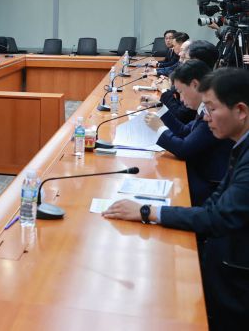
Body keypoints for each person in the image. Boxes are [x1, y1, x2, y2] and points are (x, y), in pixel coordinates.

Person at [103, 67, 249, 329]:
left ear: (240, 111)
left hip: (235, 282)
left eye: (211, 109)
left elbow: (219, 216)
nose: (205, 117)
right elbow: (214, 203)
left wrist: (147, 211)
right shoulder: (240, 145)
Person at [143, 60, 231, 206]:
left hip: (206, 187)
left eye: (181, 92)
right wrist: (160, 107)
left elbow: (184, 149)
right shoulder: (205, 107)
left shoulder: (213, 113)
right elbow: (184, 131)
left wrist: (159, 128)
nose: (181, 99)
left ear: (195, 84)